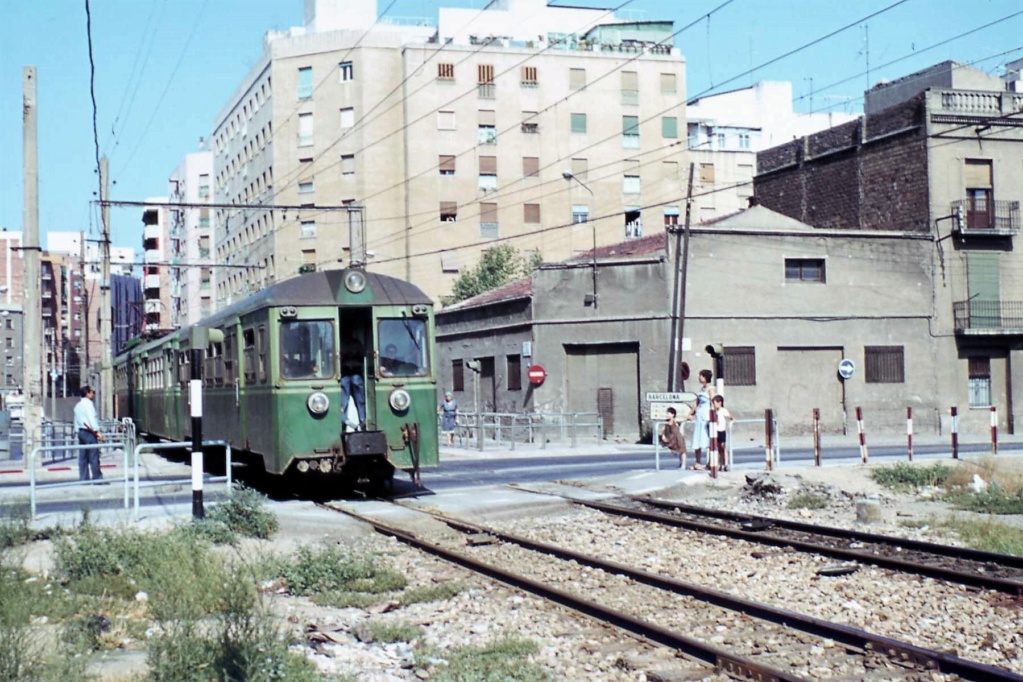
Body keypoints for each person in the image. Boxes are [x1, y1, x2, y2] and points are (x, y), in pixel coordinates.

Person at [74, 385, 104, 481]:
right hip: (89, 432)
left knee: (82, 457)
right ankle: (97, 478)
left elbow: (76, 420)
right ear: (88, 393)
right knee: (93, 456)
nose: (94, 394)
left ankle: (84, 478)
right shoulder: (89, 404)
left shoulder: (78, 406)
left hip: (81, 432)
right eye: (92, 392)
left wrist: (76, 431)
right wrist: (97, 431)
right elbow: (92, 419)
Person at [689, 369, 716, 469]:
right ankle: (697, 462)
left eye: (701, 376)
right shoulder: (701, 389)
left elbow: (714, 402)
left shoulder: (711, 389)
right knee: (697, 438)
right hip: (699, 416)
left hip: (706, 416)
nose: (699, 377)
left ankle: (710, 462)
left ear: (705, 377)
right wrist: (690, 414)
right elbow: (696, 403)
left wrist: (714, 416)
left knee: (708, 439)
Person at [340, 333, 366, 430]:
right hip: (356, 373)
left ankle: (344, 422)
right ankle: (363, 422)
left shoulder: (339, 343)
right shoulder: (357, 343)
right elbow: (362, 356)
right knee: (360, 400)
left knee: (343, 401)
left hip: (344, 373)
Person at [712, 394, 734, 471]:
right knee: (717, 448)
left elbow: (729, 417)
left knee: (723, 447)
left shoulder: (723, 410)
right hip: (716, 431)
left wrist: (731, 420)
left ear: (719, 402)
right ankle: (719, 464)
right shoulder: (714, 412)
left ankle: (726, 463)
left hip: (722, 430)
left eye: (715, 403)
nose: (714, 405)